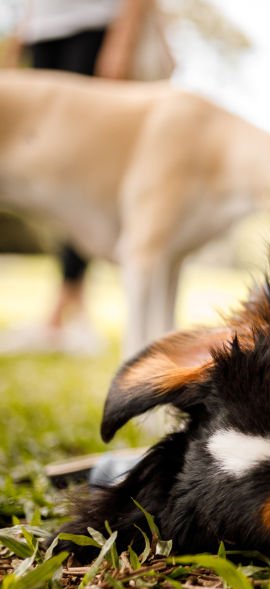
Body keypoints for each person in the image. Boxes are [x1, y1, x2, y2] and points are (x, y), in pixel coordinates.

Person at [6, 0, 164, 354]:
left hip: (94, 26)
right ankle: (60, 311)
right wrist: (21, 32)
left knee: (82, 175)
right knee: (50, 175)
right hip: (43, 31)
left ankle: (69, 310)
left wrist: (121, 41)